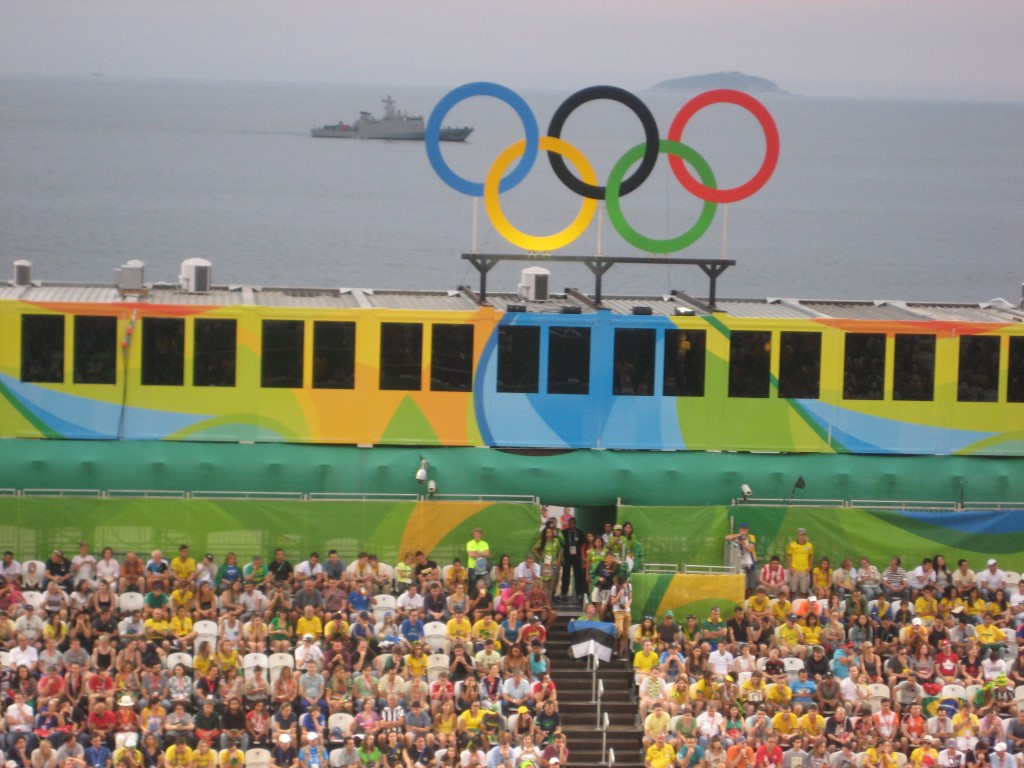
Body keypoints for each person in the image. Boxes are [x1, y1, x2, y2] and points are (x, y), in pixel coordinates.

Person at [725, 524, 758, 596]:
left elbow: (750, 549)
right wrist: (739, 535)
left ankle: (750, 599)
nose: (744, 530)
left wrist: (742, 543)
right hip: (742, 564)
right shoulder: (737, 536)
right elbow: (727, 538)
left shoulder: (751, 537)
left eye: (745, 529)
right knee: (744, 585)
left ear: (748, 530)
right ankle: (743, 599)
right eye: (742, 529)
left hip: (752, 563)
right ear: (740, 529)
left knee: (752, 585)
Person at [785, 529, 813, 598]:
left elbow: (811, 556)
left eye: (804, 534)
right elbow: (788, 555)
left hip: (804, 570)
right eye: (801, 534)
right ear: (798, 535)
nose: (802, 536)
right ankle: (792, 603)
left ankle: (802, 604)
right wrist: (790, 567)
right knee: (793, 590)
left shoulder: (809, 545)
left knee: (804, 591)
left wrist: (809, 567)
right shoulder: (792, 545)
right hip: (795, 570)